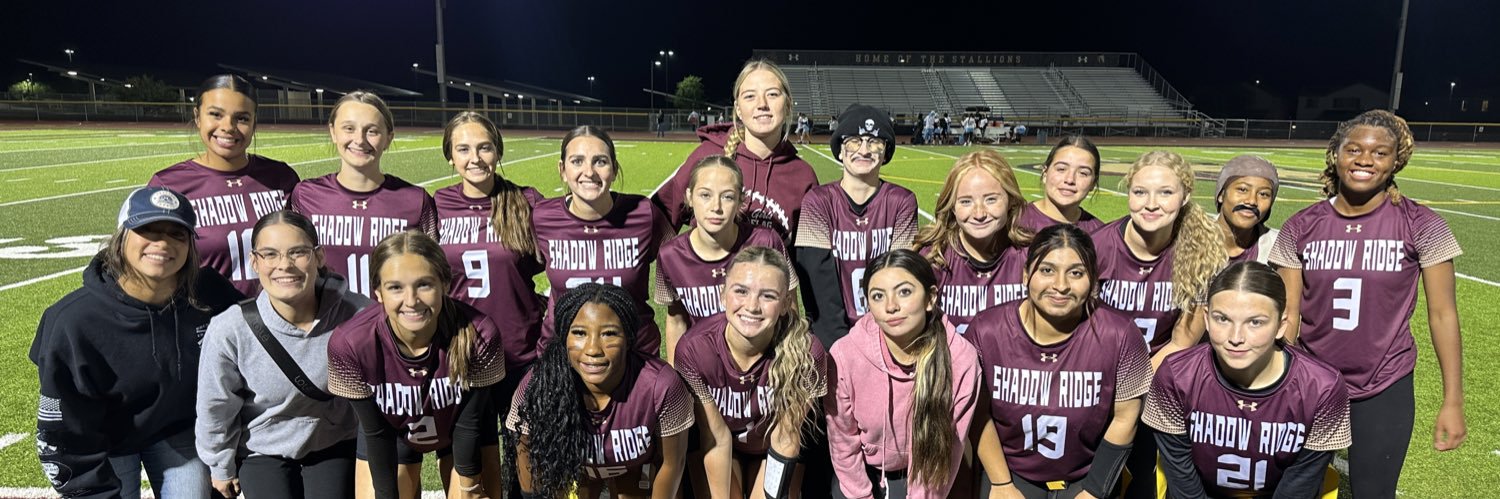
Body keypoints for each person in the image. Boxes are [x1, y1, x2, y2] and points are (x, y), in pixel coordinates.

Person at [1270, 109, 1466, 498]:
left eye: (1380, 153)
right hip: (1312, 380)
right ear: (1335, 154)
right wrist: (1279, 383)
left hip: (1385, 383)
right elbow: (1288, 316)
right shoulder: (1301, 225)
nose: (1365, 159)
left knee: (1374, 492)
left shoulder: (1421, 224)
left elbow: (1443, 315)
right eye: (1354, 149)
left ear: (1397, 161)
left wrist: (1453, 399)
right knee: (1290, 490)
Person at [33, 187, 243, 499]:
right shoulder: (73, 321)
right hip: (103, 440)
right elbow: (66, 429)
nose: (162, 243)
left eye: (177, 234)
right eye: (147, 230)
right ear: (121, 238)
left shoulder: (210, 292)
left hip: (177, 427)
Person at [195, 210, 368, 499]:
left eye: (298, 252)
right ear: (254, 261)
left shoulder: (357, 314)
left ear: (319, 256)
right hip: (263, 447)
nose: (284, 265)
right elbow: (216, 405)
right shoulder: (230, 328)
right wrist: (220, 464)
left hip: (334, 441)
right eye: (270, 254)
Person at [969, 224, 1150, 498]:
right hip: (1010, 472)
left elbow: (1126, 416)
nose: (1061, 286)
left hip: (1086, 474)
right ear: (1026, 274)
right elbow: (979, 415)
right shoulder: (986, 330)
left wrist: (1094, 491)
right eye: (1047, 270)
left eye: (1076, 273)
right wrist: (1001, 483)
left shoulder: (1119, 333)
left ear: (1093, 279)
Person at [1145, 261, 1352, 498]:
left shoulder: (1322, 387)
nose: (1236, 337)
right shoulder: (1176, 375)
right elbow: (1181, 475)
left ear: (1281, 325)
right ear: (1206, 318)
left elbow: (1300, 485)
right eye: (1222, 319)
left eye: (1255, 322)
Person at [327, 231, 506, 499]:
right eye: (395, 287)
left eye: (424, 285)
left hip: (462, 429)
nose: (411, 301)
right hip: (390, 433)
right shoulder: (349, 343)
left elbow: (469, 424)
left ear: (445, 284)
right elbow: (376, 432)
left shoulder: (480, 333)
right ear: (377, 291)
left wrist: (470, 487)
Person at [1091, 150, 1225, 498]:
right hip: (1096, 375)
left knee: (1145, 481)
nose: (1151, 204)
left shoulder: (1201, 251)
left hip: (1159, 380)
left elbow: (1183, 340)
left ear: (1185, 197)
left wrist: (1135, 385)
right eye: (1140, 192)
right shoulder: (1099, 247)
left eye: (1165, 193)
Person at [432, 111, 543, 498]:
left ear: (498, 151)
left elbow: (557, 264)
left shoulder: (525, 201)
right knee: (473, 461)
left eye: (484, 147)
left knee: (526, 458)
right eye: (463, 149)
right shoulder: (436, 205)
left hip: (521, 350)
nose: (474, 157)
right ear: (450, 157)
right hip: (464, 351)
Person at [506, 283, 694, 499]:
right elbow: (527, 457)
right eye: (579, 333)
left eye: (609, 334)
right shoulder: (539, 385)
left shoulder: (661, 385)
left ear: (629, 339)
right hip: (574, 470)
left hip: (636, 469)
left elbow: (671, 464)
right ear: (564, 338)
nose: (593, 349)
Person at [826, 249, 981, 499]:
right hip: (864, 474)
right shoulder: (845, 355)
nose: (891, 306)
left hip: (931, 477)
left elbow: (947, 450)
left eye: (904, 292)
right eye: (878, 296)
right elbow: (843, 441)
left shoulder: (961, 359)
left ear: (930, 298)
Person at [676, 247, 826, 499]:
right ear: (723, 294)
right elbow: (715, 438)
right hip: (724, 444)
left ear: (786, 304)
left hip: (772, 447)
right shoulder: (694, 350)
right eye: (741, 291)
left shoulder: (807, 353)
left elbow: (785, 438)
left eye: (768, 296)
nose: (752, 306)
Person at [149, 74, 300, 296]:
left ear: (254, 122)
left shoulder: (280, 178)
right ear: (198, 117)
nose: (228, 127)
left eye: (242, 118)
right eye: (216, 114)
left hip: (276, 321)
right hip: (206, 323)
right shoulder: (169, 185)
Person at [533, 126, 674, 356]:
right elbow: (514, 270)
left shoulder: (643, 213)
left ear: (615, 169)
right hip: (562, 355)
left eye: (600, 161)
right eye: (577, 161)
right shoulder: (542, 216)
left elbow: (679, 259)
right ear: (562, 169)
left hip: (633, 354)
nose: (589, 172)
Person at [287, 90, 439, 298]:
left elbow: (434, 272)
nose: (359, 139)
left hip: (392, 326)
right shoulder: (305, 196)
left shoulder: (415, 200)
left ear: (388, 138)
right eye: (349, 128)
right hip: (326, 325)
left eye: (372, 131)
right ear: (333, 132)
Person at [652, 59, 819, 242]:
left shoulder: (804, 176)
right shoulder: (707, 156)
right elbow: (658, 224)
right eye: (749, 96)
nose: (762, 104)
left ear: (788, 105)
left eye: (772, 94)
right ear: (738, 109)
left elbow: (807, 260)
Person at [795, 104, 918, 348]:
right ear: (840, 150)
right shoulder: (818, 201)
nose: (864, 150)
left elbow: (902, 276)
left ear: (886, 152)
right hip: (833, 335)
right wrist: (843, 348)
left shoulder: (901, 201)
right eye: (854, 141)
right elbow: (819, 287)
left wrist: (880, 342)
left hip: (887, 334)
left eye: (875, 142)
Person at [654, 155, 790, 364]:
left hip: (762, 364)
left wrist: (785, 365)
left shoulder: (766, 241)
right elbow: (676, 319)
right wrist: (677, 374)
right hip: (704, 366)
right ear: (689, 197)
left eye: (727, 197)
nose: (716, 207)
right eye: (705, 195)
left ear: (740, 201)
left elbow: (788, 311)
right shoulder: (670, 254)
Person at [913, 149, 1031, 335]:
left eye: (991, 199)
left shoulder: (1031, 257)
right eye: (966, 202)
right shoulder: (933, 257)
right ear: (952, 206)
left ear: (1011, 201)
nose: (979, 214)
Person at [1017, 136, 1106, 234]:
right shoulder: (1013, 222)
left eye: (1083, 173)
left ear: (1093, 183)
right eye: (1061, 169)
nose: (1070, 179)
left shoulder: (1101, 234)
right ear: (1045, 173)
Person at [1213, 155, 1281, 264]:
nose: (1252, 201)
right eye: (1242, 189)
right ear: (1221, 194)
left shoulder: (1280, 247)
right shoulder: (1189, 239)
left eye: (1263, 194)